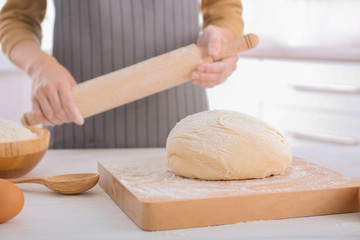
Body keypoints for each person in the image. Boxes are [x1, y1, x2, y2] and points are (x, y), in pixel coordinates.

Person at [0, 0, 244, 148]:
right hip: (77, 126)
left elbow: (225, 10)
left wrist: (222, 37)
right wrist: (40, 66)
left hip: (179, 120)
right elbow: (16, 18)